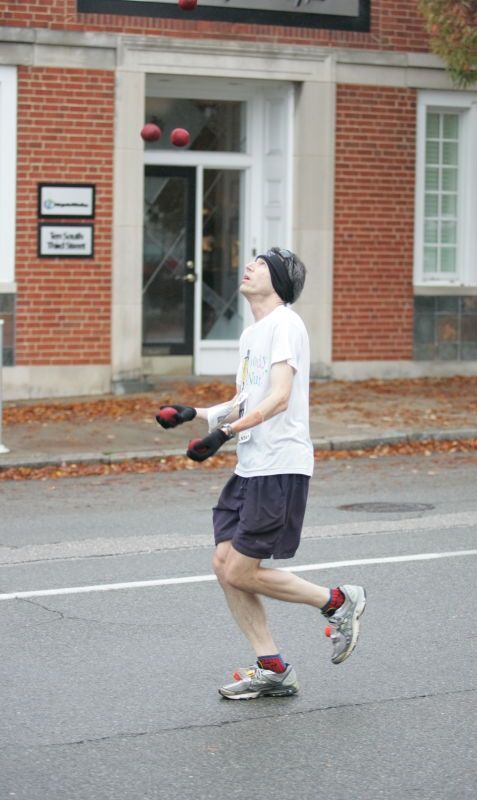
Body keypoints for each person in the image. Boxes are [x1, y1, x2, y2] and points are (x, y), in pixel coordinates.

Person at [156, 247, 366, 700]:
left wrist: (224, 434)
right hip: (251, 465)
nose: (250, 266)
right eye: (251, 261)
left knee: (240, 570)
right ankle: (272, 668)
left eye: (262, 263)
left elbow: (280, 397)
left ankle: (337, 601)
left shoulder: (285, 323)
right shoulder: (252, 333)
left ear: (280, 281)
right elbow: (248, 400)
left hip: (280, 465)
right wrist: (196, 414)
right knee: (224, 565)